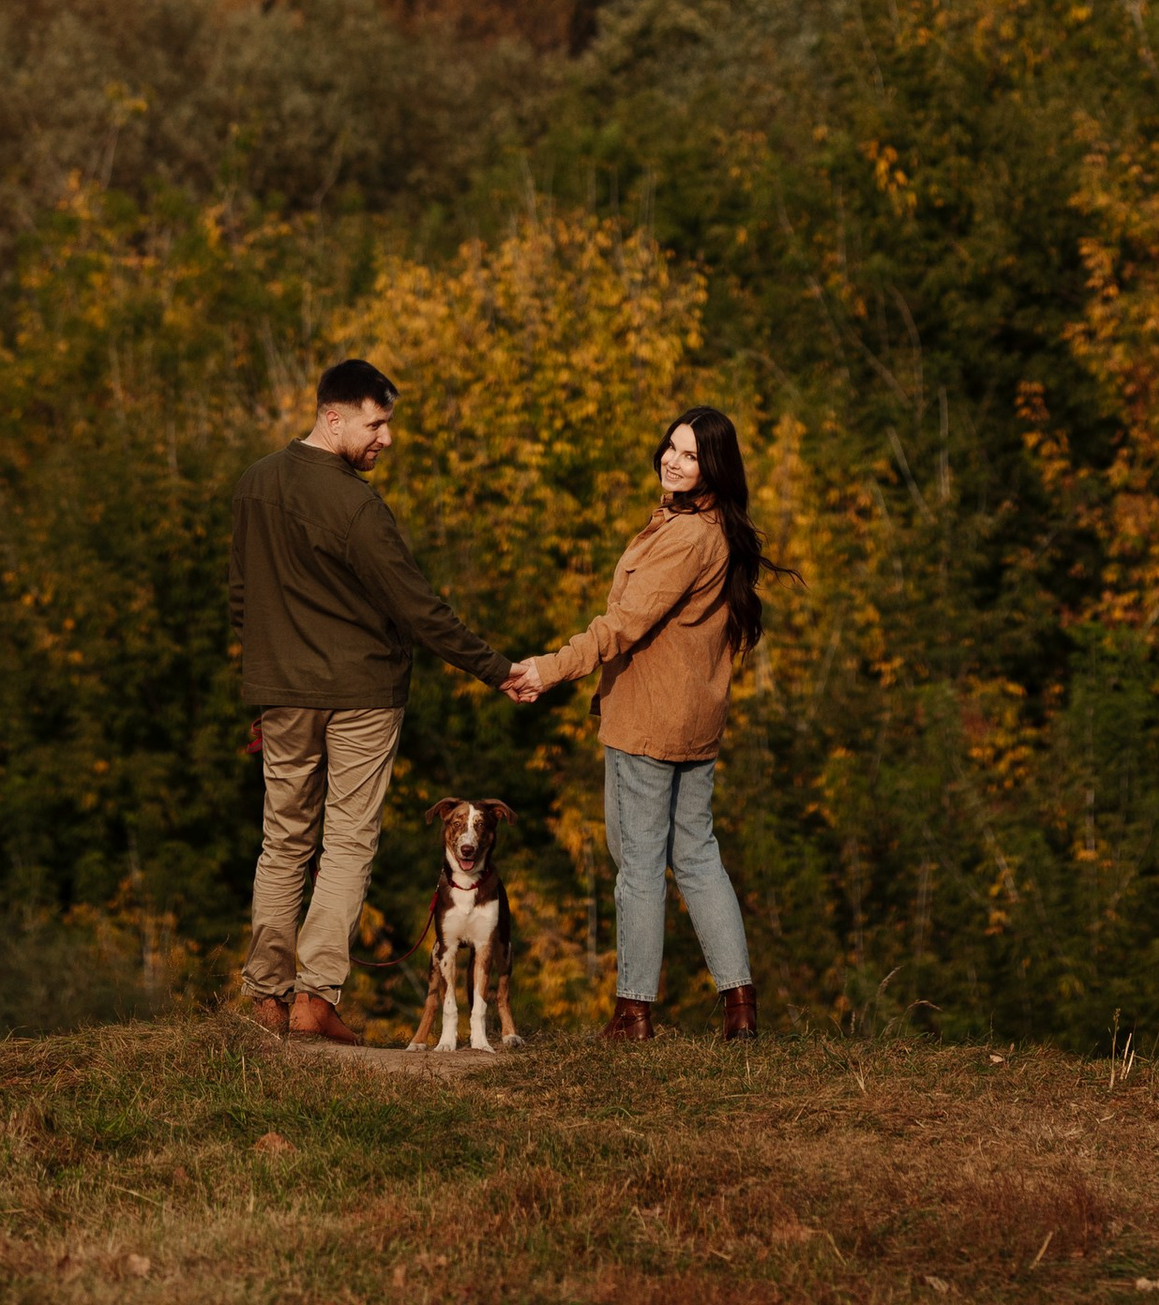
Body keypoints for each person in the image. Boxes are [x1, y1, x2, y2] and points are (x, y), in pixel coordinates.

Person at [229, 355, 516, 1044]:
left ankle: (265, 997)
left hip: (281, 693)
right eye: (376, 422)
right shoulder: (357, 505)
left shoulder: (255, 484)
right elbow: (418, 607)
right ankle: (313, 998)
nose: (385, 437)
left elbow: (242, 596)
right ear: (334, 416)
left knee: (283, 839)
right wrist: (498, 668)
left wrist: (261, 687)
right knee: (350, 837)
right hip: (360, 692)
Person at [506, 402, 774, 1041]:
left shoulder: (684, 537)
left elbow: (622, 626)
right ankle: (740, 1008)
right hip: (696, 723)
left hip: (649, 722)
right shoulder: (714, 528)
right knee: (697, 855)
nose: (674, 461)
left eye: (691, 455)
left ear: (714, 468)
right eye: (672, 448)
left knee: (638, 863)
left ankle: (633, 1013)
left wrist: (549, 668)